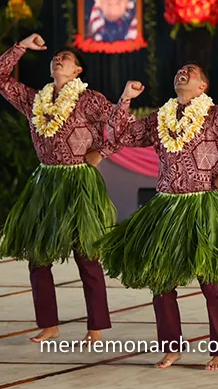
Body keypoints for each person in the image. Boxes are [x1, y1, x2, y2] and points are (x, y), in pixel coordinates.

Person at [98, 63, 218, 371]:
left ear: (203, 87)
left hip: (202, 205)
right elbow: (123, 135)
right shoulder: (162, 116)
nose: (182, 72)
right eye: (179, 70)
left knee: (212, 281)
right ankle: (171, 346)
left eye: (191, 70)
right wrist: (124, 98)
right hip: (165, 206)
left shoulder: (216, 116)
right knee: (161, 281)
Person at [0, 34, 117, 343]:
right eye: (56, 57)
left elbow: (123, 123)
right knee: (38, 256)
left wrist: (101, 152)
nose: (58, 59)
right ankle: (49, 324)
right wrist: (21, 47)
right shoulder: (34, 99)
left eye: (66, 57)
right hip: (46, 182)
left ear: (78, 71)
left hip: (80, 181)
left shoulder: (90, 99)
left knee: (86, 255)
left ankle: (96, 327)